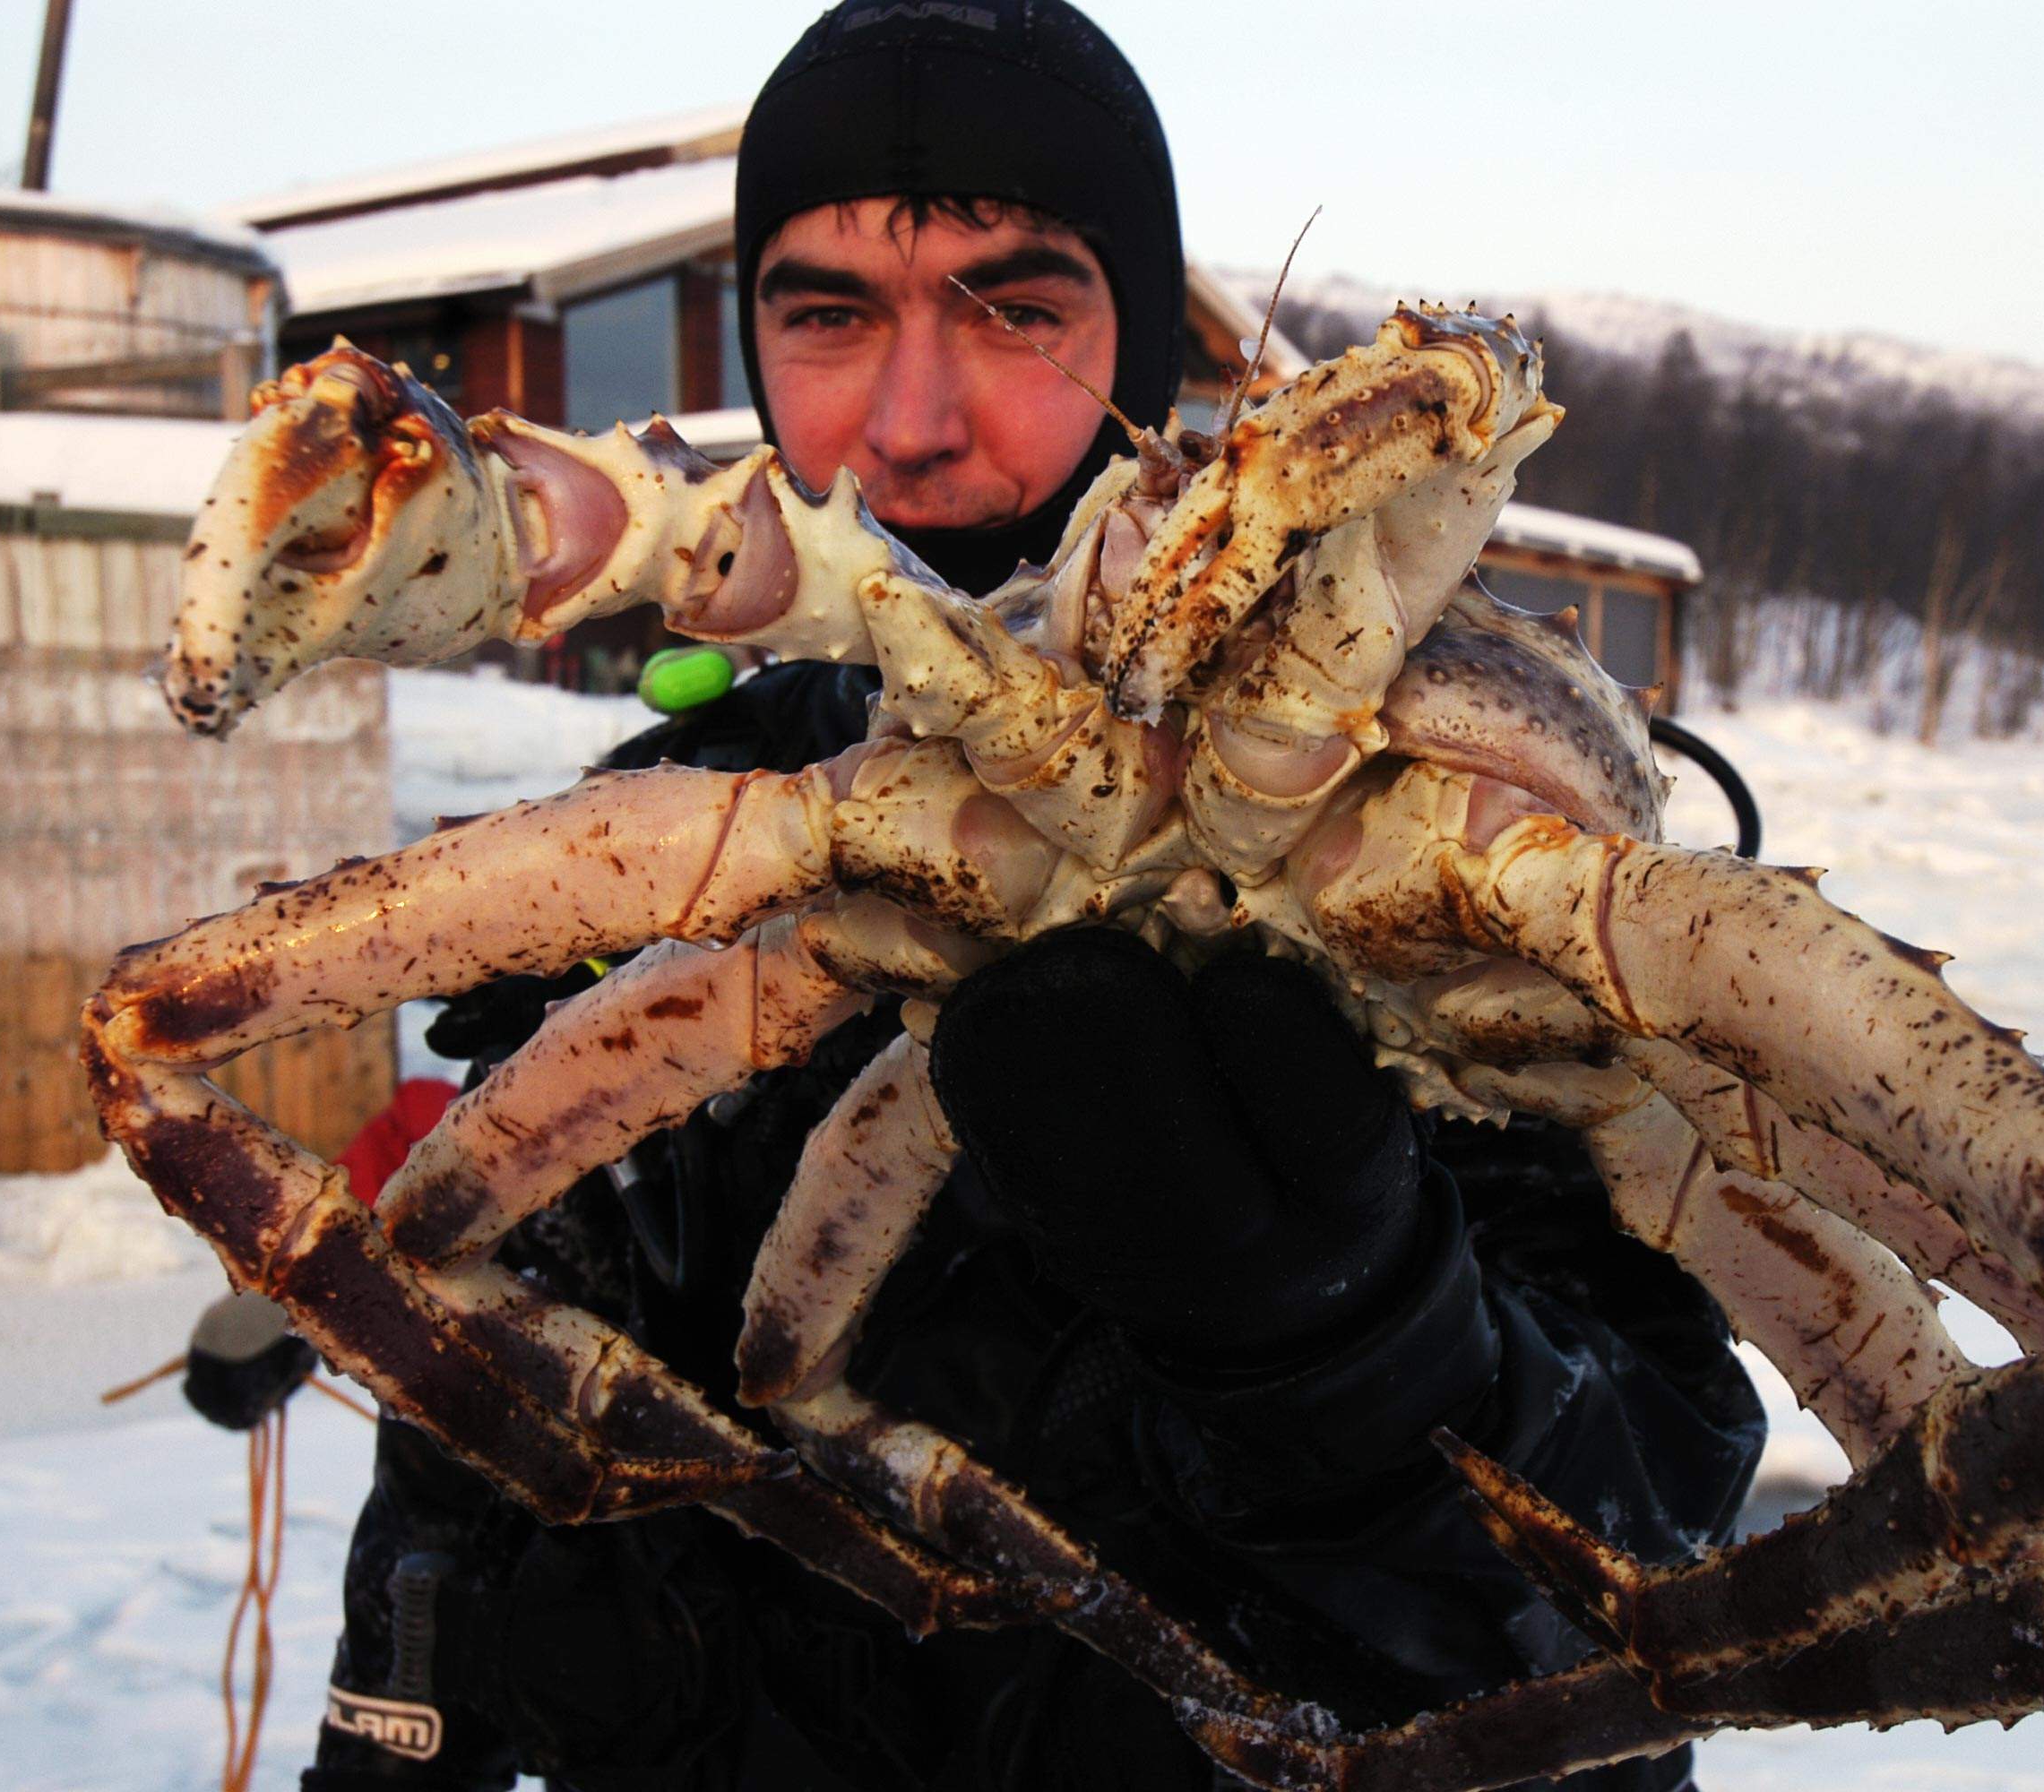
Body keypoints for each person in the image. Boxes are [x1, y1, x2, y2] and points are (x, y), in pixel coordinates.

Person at [220, 5, 1766, 1788]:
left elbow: (1655, 1601)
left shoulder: (1464, 824)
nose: (911, 423)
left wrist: (1343, 1342)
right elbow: (458, 1441)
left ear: (1148, 343)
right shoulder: (655, 851)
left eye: (1017, 308)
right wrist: (393, 1711)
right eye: (825, 315)